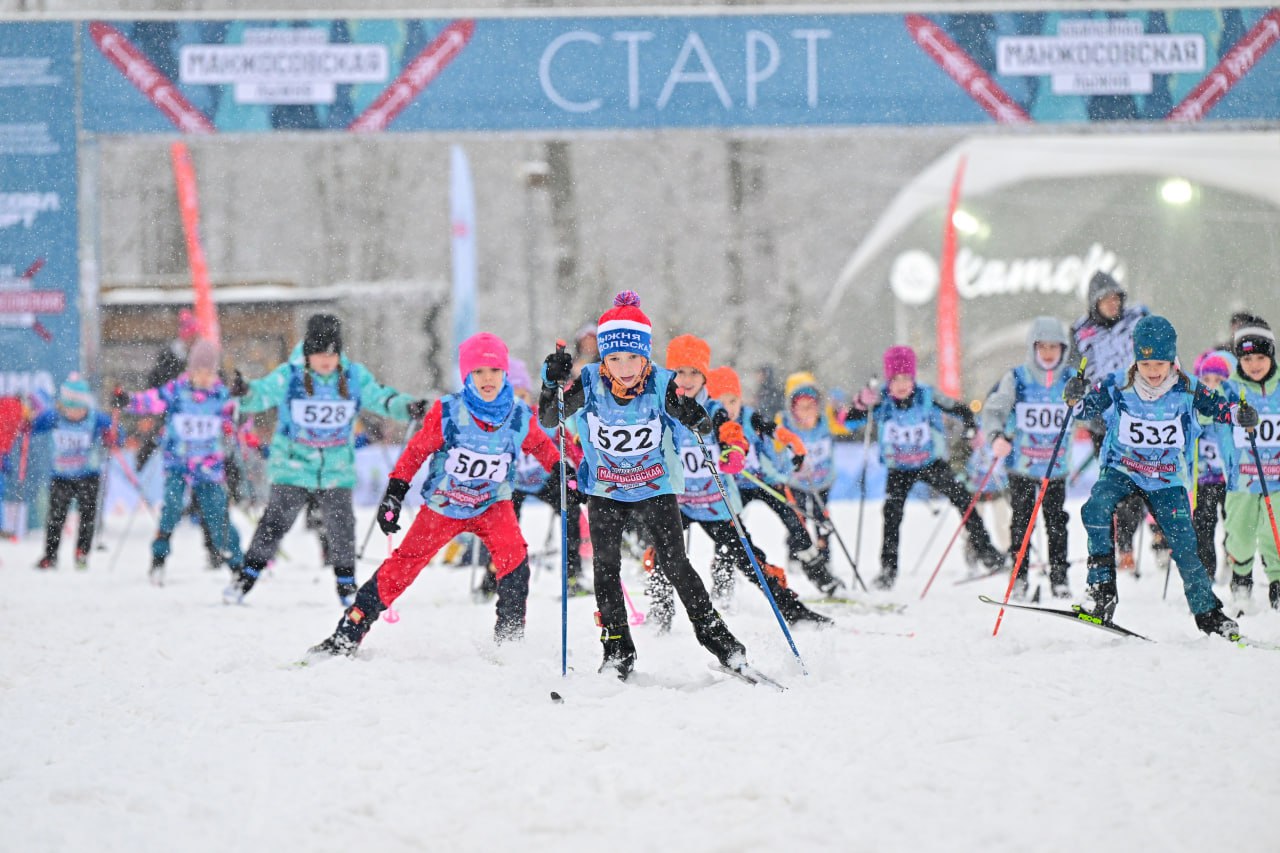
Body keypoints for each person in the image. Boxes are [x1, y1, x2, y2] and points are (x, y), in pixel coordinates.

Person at [537, 291, 754, 679]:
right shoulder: (589, 383)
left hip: (654, 487)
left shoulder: (660, 383)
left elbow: (701, 424)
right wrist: (550, 382)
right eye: (614, 358)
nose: (624, 367)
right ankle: (618, 650)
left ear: (645, 356)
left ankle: (720, 640)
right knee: (605, 568)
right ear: (604, 357)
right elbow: (550, 418)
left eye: (633, 358)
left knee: (676, 564)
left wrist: (692, 413)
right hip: (605, 489)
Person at [308, 333, 561, 656]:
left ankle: (509, 640)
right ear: (467, 375)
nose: (487, 379)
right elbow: (416, 452)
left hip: (492, 505)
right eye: (479, 371)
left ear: (504, 375)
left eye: (495, 371)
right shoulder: (449, 411)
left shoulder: (517, 414)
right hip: (445, 506)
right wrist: (395, 494)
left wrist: (562, 472)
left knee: (515, 560)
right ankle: (349, 631)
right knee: (402, 567)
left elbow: (541, 446)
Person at [223, 314, 428, 606]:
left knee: (342, 525)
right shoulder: (290, 375)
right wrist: (245, 391)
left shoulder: (352, 376)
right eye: (320, 354)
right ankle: (245, 578)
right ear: (308, 352)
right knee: (275, 523)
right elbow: (261, 394)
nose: (327, 361)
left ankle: (347, 587)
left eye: (332, 354)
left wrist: (406, 407)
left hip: (336, 468)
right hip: (293, 467)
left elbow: (380, 398)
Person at [1067, 315, 1242, 637]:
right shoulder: (1117, 384)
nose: (1153, 371)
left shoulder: (1187, 388)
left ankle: (1208, 612)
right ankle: (1101, 592)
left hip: (1165, 478)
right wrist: (1074, 396)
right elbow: (1082, 410)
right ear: (1137, 359)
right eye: (1146, 364)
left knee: (1185, 542)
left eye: (1160, 363)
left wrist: (1238, 413)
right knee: (1094, 509)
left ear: (1171, 359)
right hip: (1123, 469)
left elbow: (1221, 407)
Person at [651, 336, 830, 629]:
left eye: (694, 372)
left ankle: (791, 610)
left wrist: (735, 450)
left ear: (704, 376)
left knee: (751, 560)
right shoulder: (661, 408)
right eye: (680, 372)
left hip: (715, 505)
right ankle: (660, 614)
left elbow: (731, 432)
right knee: (662, 556)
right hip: (678, 502)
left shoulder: (714, 408)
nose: (686, 379)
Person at [847, 345, 1006, 591]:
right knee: (891, 514)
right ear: (888, 380)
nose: (901, 385)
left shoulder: (926, 395)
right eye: (896, 379)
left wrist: (971, 429)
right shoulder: (880, 399)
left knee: (964, 499)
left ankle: (988, 553)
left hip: (930, 463)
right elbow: (847, 421)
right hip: (898, 468)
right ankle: (888, 571)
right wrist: (860, 402)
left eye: (906, 378)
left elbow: (961, 409)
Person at [115, 339, 244, 585]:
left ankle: (237, 564)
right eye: (199, 372)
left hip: (209, 468)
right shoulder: (177, 390)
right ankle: (159, 558)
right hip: (179, 465)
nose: (204, 378)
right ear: (190, 370)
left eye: (209, 372)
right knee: (172, 509)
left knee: (218, 516)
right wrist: (128, 400)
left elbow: (237, 420)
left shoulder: (220, 396)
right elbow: (151, 400)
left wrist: (242, 405)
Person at [706, 366, 829, 593]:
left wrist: (792, 443)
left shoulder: (749, 417)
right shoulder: (709, 424)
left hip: (765, 481)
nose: (728, 409)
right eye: (720, 402)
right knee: (728, 531)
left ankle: (820, 576)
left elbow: (773, 430)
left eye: (732, 401)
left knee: (796, 523)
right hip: (735, 487)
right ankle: (723, 585)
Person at [982, 317, 1074, 599]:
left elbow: (1090, 410)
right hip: (1022, 464)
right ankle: (1019, 576)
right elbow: (995, 408)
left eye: (1054, 347)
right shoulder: (1017, 378)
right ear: (1032, 348)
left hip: (1055, 467)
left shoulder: (1071, 379)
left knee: (1057, 521)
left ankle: (1059, 578)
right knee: (1022, 521)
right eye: (1042, 347)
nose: (1048, 353)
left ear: (1063, 349)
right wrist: (996, 435)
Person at [1068, 270, 1152, 572]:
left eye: (1116, 298)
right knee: (1116, 485)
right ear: (1094, 303)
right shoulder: (1080, 331)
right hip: (1103, 421)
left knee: (1144, 480)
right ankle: (1122, 545)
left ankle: (1149, 534)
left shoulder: (1138, 317)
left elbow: (1162, 348)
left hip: (1141, 414)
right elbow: (1072, 371)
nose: (1112, 304)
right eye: (1105, 300)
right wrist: (1075, 388)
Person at [503, 357, 590, 597]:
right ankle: (493, 576)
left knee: (571, 510)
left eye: (521, 396)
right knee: (499, 523)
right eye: (510, 397)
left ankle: (573, 574)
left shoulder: (540, 418)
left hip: (544, 479)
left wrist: (580, 465)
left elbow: (567, 442)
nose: (517, 402)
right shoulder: (499, 422)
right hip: (513, 483)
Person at [774, 371, 851, 595]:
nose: (808, 412)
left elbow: (846, 424)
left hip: (822, 482)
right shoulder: (784, 422)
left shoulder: (826, 419)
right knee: (798, 519)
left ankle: (825, 558)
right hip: (796, 482)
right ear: (792, 408)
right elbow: (772, 444)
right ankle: (796, 555)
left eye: (812, 406)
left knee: (822, 520)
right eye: (801, 407)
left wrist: (849, 410)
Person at [1222, 321, 1280, 609]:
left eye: (1260, 357)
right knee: (1241, 534)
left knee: (1276, 531)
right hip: (1242, 479)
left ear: (1271, 356)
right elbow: (1207, 415)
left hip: (1278, 479)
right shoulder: (1230, 389)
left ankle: (1277, 582)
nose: (1254, 364)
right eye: (1246, 358)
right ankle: (1241, 577)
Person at [31, 376, 116, 570]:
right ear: (63, 406)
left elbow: (115, 430)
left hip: (88, 476)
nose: (76, 413)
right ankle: (50, 555)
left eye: (80, 408)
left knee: (87, 516)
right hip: (61, 477)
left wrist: (112, 435)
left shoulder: (95, 418)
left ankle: (82, 553)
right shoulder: (54, 417)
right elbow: (33, 425)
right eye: (71, 408)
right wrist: (28, 418)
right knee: (56, 517)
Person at [1190, 350, 1235, 584]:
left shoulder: (1231, 411)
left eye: (1219, 381)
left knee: (1233, 525)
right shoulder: (1195, 411)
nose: (1212, 386)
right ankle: (1206, 573)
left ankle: (1233, 559)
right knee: (1203, 529)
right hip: (1204, 481)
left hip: (1229, 481)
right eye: (1206, 380)